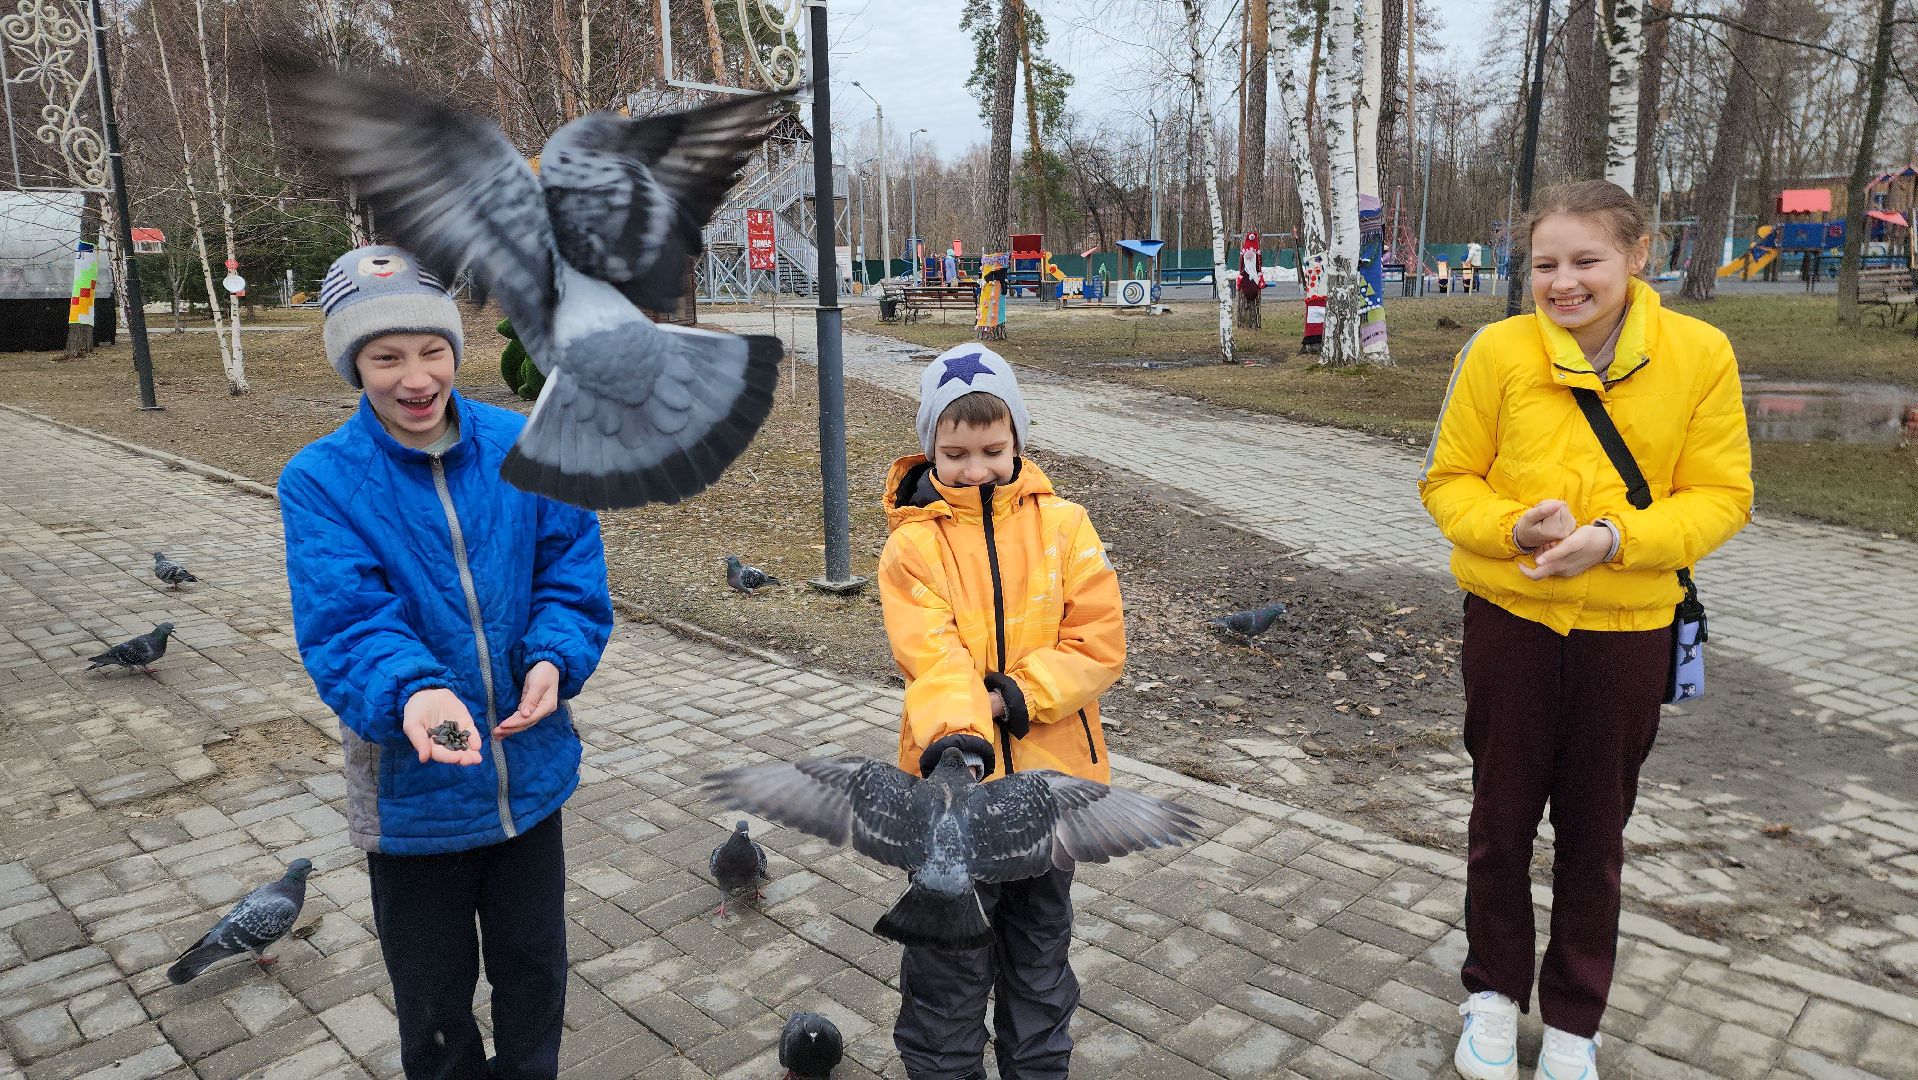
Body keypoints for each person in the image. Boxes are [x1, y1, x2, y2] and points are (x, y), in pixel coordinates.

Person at [1420, 180, 1752, 1080]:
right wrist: (1511, 528)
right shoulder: (1495, 350)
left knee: (1596, 834)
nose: (1563, 284)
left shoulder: (1699, 353)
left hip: (1627, 630)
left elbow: (1723, 497)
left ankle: (1575, 1017)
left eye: (1586, 261)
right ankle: (1491, 993)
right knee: (1499, 819)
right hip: (1510, 622)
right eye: (1545, 265)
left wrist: (1615, 541)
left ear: (1639, 255)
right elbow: (1448, 481)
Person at [280, 245, 613, 1080]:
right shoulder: (320, 481)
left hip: (529, 779)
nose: (415, 375)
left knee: (536, 973)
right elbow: (347, 619)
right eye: (386, 356)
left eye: (431, 350)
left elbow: (571, 571)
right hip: (413, 794)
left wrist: (554, 658)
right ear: (352, 363)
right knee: (432, 1001)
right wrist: (415, 691)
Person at [879, 345, 1125, 1080]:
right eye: (955, 453)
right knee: (947, 977)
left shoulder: (1067, 528)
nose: (975, 468)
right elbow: (932, 654)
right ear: (930, 450)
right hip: (955, 799)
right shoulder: (912, 546)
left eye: (992, 449)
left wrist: (1016, 696)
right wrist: (965, 731)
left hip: (1051, 795)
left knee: (1040, 966)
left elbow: (1099, 641)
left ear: (1018, 441)